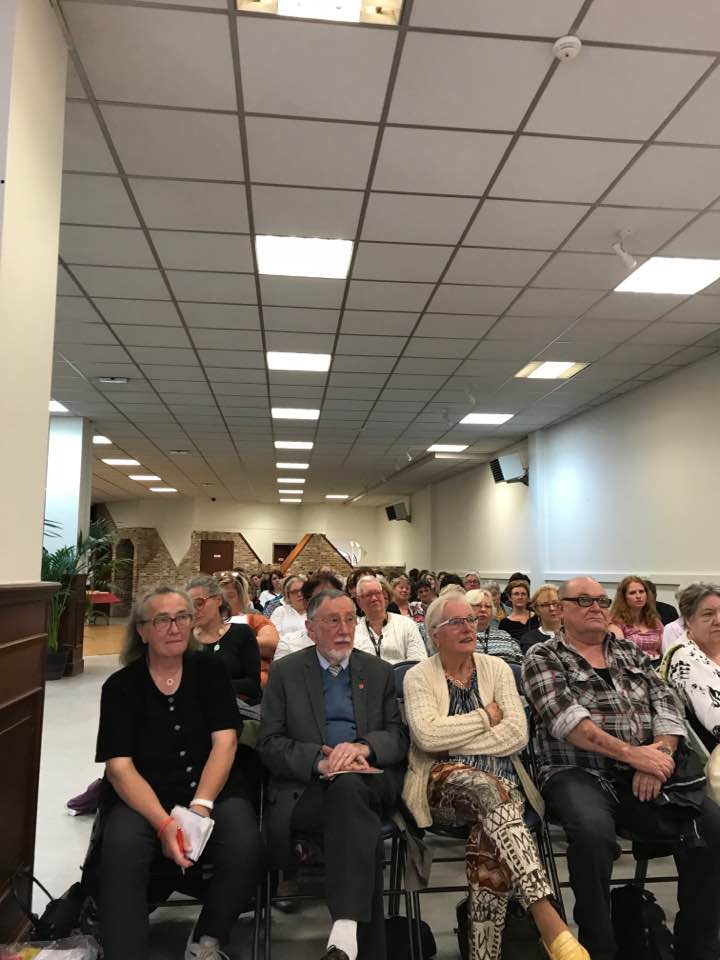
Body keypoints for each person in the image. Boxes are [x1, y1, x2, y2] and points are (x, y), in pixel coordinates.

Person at [523, 576, 720, 960]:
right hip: (576, 770)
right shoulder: (543, 657)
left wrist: (657, 755)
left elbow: (667, 706)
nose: (596, 607)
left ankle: (697, 947)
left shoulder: (629, 652)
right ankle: (599, 947)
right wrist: (635, 755)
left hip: (646, 768)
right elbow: (568, 722)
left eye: (601, 600)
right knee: (593, 835)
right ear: (561, 609)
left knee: (712, 826)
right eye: (584, 601)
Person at [403, 594, 587, 960]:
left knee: (491, 836)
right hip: (443, 785)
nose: (468, 627)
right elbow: (427, 738)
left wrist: (452, 739)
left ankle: (484, 954)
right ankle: (547, 918)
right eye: (456, 622)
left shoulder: (498, 668)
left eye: (471, 620)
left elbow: (516, 735)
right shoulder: (418, 676)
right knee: (489, 792)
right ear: (434, 634)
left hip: (504, 787)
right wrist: (486, 717)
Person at [94, 586, 265, 960]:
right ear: (142, 631)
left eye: (182, 617)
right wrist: (164, 823)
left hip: (212, 787)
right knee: (121, 849)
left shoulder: (211, 672)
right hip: (143, 796)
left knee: (245, 845)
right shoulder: (120, 687)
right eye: (162, 620)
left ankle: (207, 938)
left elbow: (225, 742)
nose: (174, 628)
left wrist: (200, 808)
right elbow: (119, 767)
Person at [258, 589, 409, 960]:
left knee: (350, 788)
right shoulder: (286, 673)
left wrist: (363, 747)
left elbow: (397, 736)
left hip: (370, 779)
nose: (344, 629)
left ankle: (344, 928)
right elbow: (270, 743)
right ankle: (352, 935)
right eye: (332, 621)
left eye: (349, 620)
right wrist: (320, 762)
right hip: (308, 789)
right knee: (357, 820)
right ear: (310, 629)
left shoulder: (378, 671)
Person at [187, 574, 261, 704]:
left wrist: (211, 686)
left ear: (218, 600)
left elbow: (253, 683)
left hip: (238, 706)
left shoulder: (242, 633)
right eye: (190, 606)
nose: (194, 610)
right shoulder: (186, 639)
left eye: (199, 603)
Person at [274, 573, 376, 661]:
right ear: (306, 603)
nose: (330, 605)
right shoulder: (289, 645)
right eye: (321, 599)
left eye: (334, 598)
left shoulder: (361, 644)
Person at [667, 583, 720, 747]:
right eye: (708, 614)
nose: (718, 620)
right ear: (689, 620)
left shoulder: (715, 645)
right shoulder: (684, 658)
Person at [218, 572, 280, 686]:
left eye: (230, 596)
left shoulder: (255, 619)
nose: (224, 602)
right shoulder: (207, 623)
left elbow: (272, 644)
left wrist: (225, 643)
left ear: (240, 598)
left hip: (251, 683)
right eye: (220, 598)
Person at [354, 575, 428, 664]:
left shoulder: (406, 625)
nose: (374, 598)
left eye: (378, 593)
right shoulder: (354, 632)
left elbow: (419, 662)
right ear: (359, 601)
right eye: (368, 595)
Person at [609, 575, 663, 661]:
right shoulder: (616, 622)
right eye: (632, 593)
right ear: (623, 597)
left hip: (657, 664)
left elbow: (664, 650)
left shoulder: (655, 621)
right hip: (632, 665)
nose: (638, 596)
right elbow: (621, 654)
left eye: (641, 591)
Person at [465, 588, 522, 665]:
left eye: (488, 606)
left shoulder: (505, 635)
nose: (483, 609)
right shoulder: (460, 636)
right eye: (478, 605)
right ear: (466, 608)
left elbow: (521, 664)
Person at [522, 585, 563, 653]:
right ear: (537, 610)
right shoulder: (529, 640)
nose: (552, 608)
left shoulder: (575, 634)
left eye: (555, 603)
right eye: (546, 605)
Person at [498, 578, 538, 644]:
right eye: (516, 594)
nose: (520, 597)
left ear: (528, 597)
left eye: (523, 594)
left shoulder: (537, 617)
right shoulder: (504, 623)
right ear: (510, 597)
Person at [270, 575, 307, 639]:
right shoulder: (280, 611)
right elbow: (273, 636)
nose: (299, 594)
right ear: (288, 595)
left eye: (302, 590)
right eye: (294, 592)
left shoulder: (315, 611)